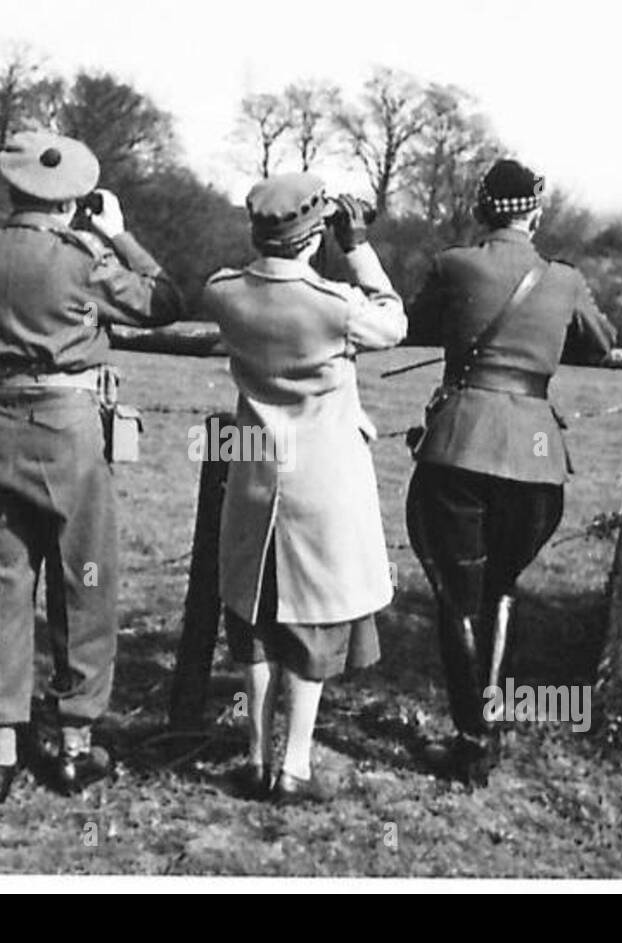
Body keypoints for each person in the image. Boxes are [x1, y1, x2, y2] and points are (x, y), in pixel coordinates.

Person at [0, 132, 184, 800]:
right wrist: (119, 235)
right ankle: (75, 743)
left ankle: (0, 749)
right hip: (68, 425)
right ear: (77, 199)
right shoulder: (83, 258)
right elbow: (165, 302)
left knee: (4, 579)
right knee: (85, 576)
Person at [405, 159, 616, 786]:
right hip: (534, 456)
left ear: (482, 211)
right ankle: (484, 732)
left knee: (456, 596)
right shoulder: (565, 279)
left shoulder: (454, 265)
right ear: (536, 212)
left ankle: (472, 739)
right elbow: (601, 343)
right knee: (501, 588)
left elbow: (416, 325)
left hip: (460, 445)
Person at [202, 173, 406, 803]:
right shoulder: (336, 306)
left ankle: (257, 758)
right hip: (324, 482)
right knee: (312, 625)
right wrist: (360, 244)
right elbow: (394, 320)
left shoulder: (225, 293)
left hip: (256, 475)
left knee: (256, 620)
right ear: (315, 235)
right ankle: (294, 768)